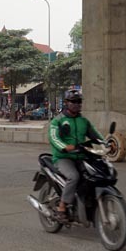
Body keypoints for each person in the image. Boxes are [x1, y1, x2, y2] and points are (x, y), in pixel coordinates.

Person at [47, 90, 103, 222]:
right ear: (66, 103)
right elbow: (53, 138)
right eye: (73, 101)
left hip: (81, 156)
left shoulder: (83, 121)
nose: (77, 104)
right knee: (74, 176)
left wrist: (106, 143)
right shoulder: (58, 121)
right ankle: (62, 208)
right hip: (63, 157)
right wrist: (65, 147)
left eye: (79, 101)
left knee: (94, 175)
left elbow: (95, 135)